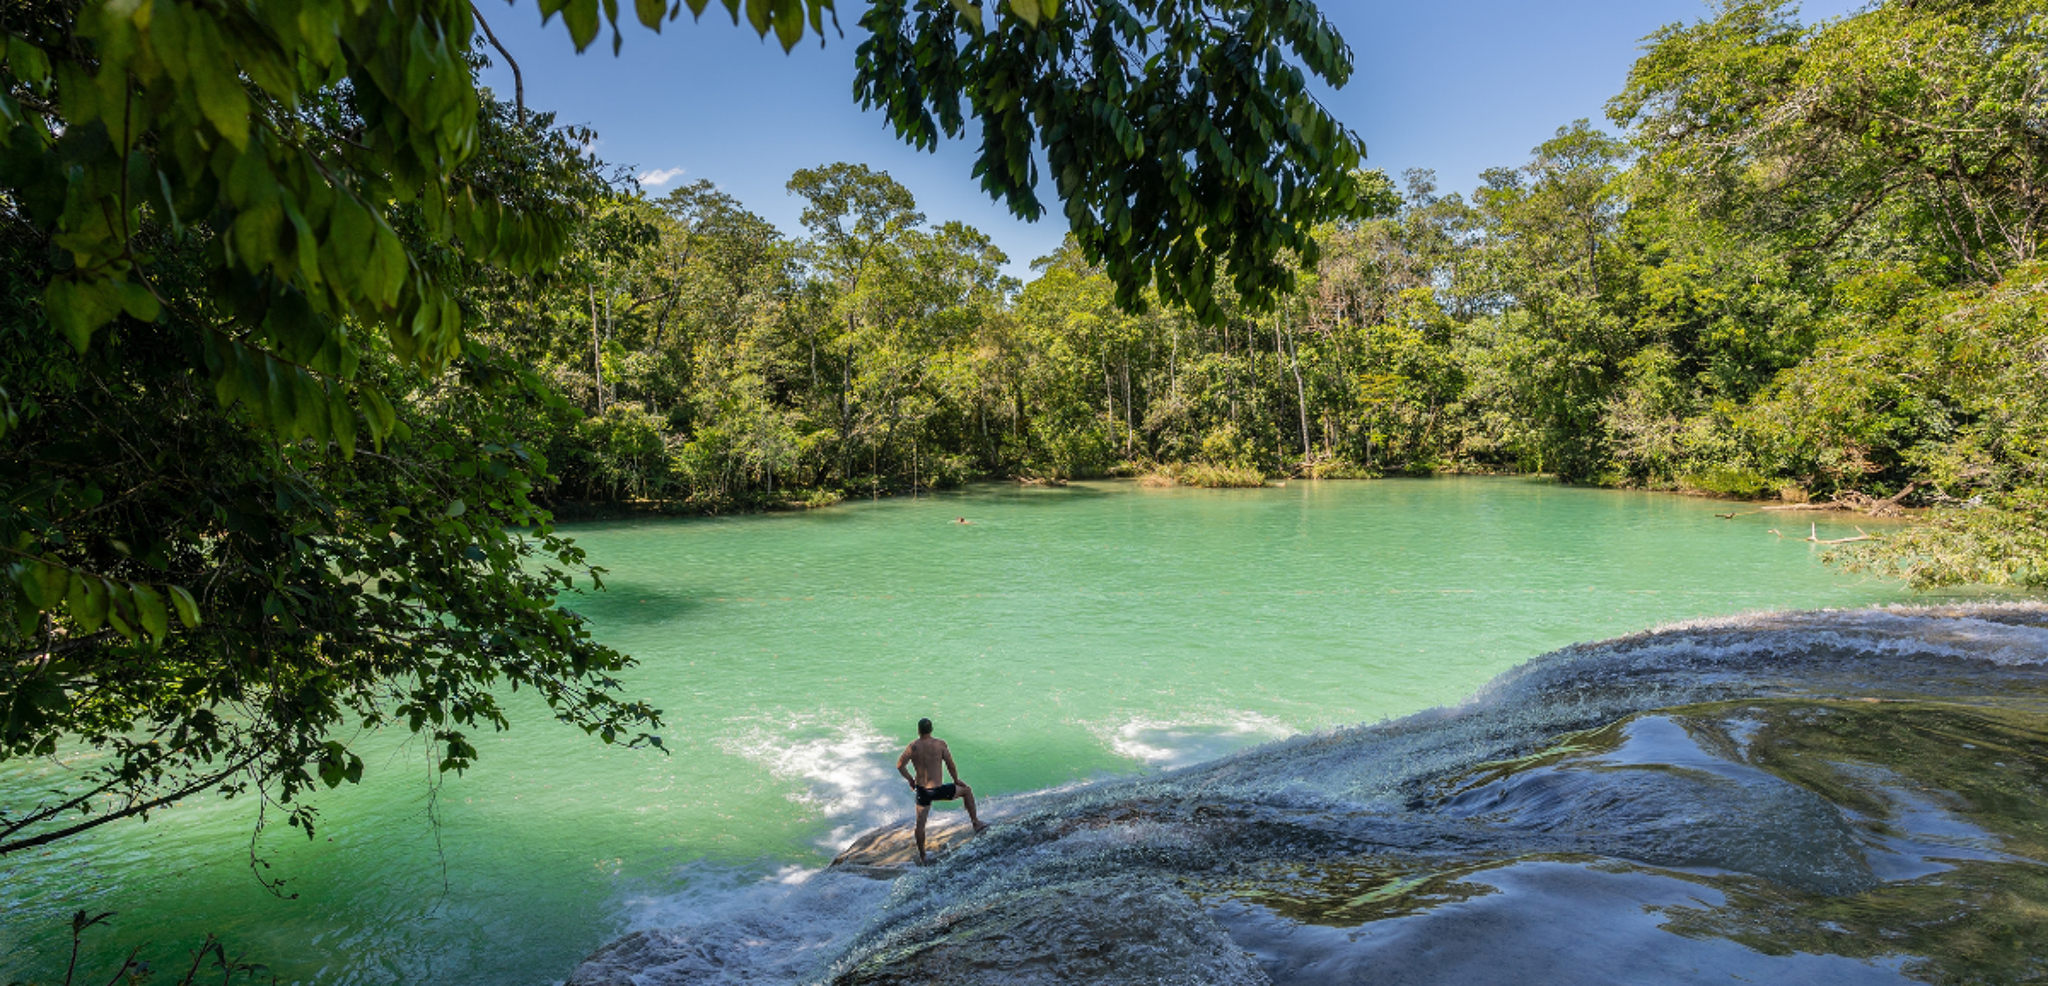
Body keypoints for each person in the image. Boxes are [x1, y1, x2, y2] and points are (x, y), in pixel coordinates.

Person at [896, 717, 987, 864]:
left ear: (918, 730)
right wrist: (956, 780)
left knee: (920, 825)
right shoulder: (940, 744)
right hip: (939, 790)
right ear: (931, 730)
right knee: (966, 791)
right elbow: (950, 765)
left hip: (922, 792)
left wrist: (910, 780)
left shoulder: (913, 746)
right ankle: (976, 823)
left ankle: (923, 856)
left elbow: (900, 766)